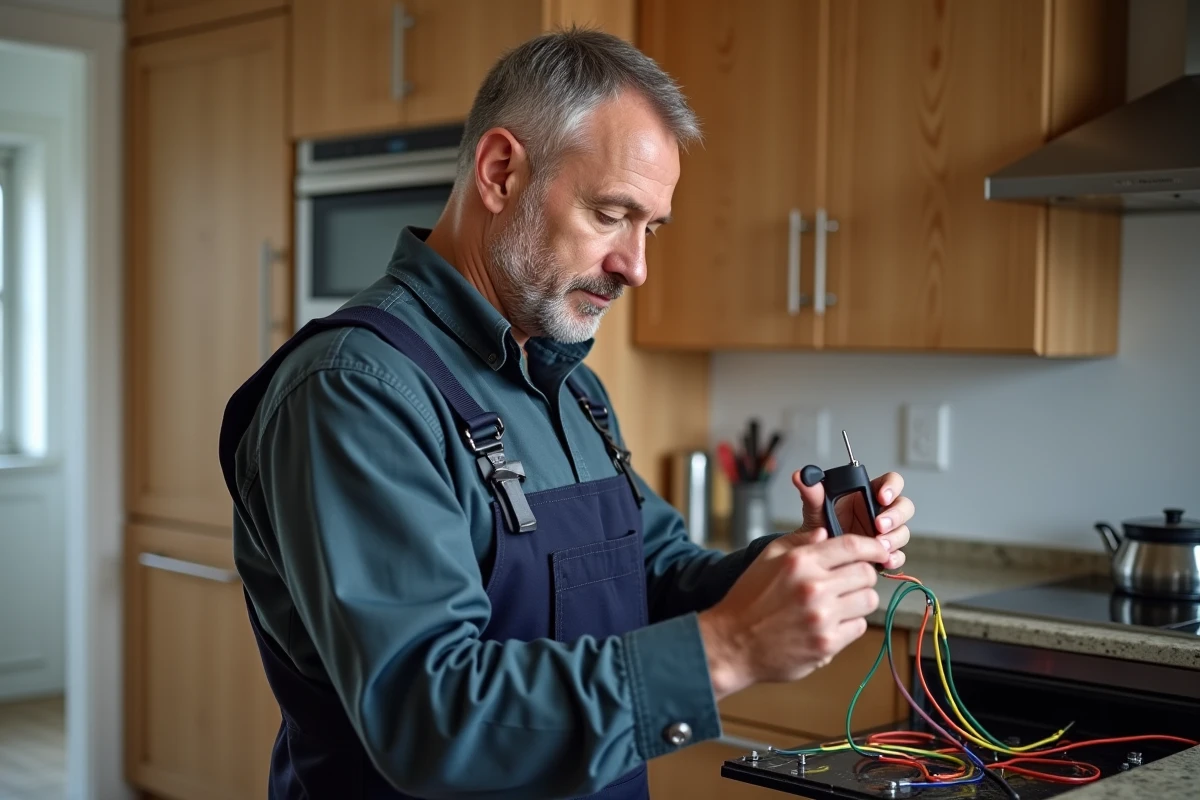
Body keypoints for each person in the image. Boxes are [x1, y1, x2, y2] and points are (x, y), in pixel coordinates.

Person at [218, 27, 914, 800]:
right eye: (611, 214)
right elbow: (430, 716)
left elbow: (655, 577)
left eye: (650, 228)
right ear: (501, 171)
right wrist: (734, 646)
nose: (636, 266)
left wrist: (792, 567)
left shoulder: (569, 384)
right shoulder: (354, 391)